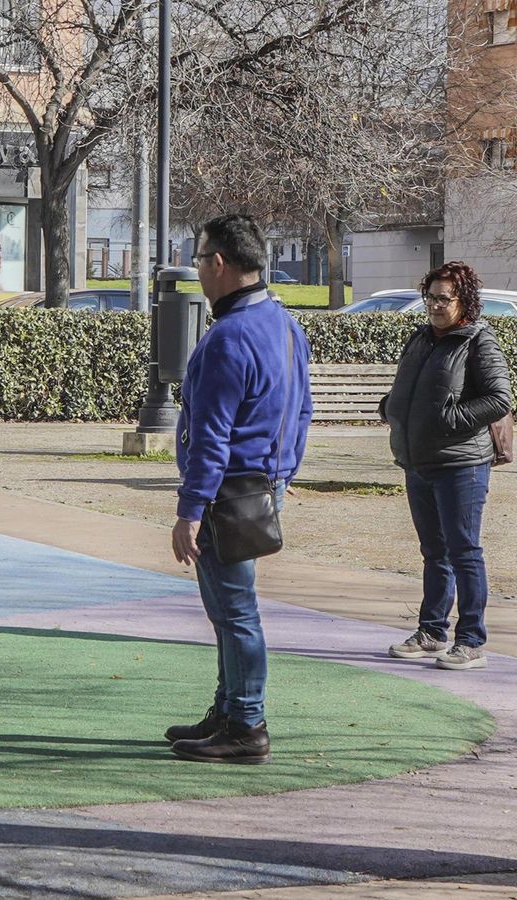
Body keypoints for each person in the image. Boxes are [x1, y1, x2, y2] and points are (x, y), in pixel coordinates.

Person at [166, 213, 312, 765]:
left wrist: (190, 511)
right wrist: (283, 473)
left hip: (228, 492)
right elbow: (303, 409)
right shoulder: (284, 324)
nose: (198, 269)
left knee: (235, 611)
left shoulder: (228, 337)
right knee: (232, 610)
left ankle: (246, 722)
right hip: (259, 487)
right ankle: (230, 710)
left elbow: (211, 438)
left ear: (220, 263)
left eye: (200, 259)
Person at [381, 261, 511, 671]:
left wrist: (449, 419)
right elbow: (410, 387)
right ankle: (433, 632)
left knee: (464, 551)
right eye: (431, 297)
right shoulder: (420, 339)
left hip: (462, 466)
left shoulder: (478, 342)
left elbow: (499, 398)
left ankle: (471, 640)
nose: (435, 306)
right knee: (434, 552)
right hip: (418, 461)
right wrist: (392, 407)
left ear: (464, 302)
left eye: (444, 299)